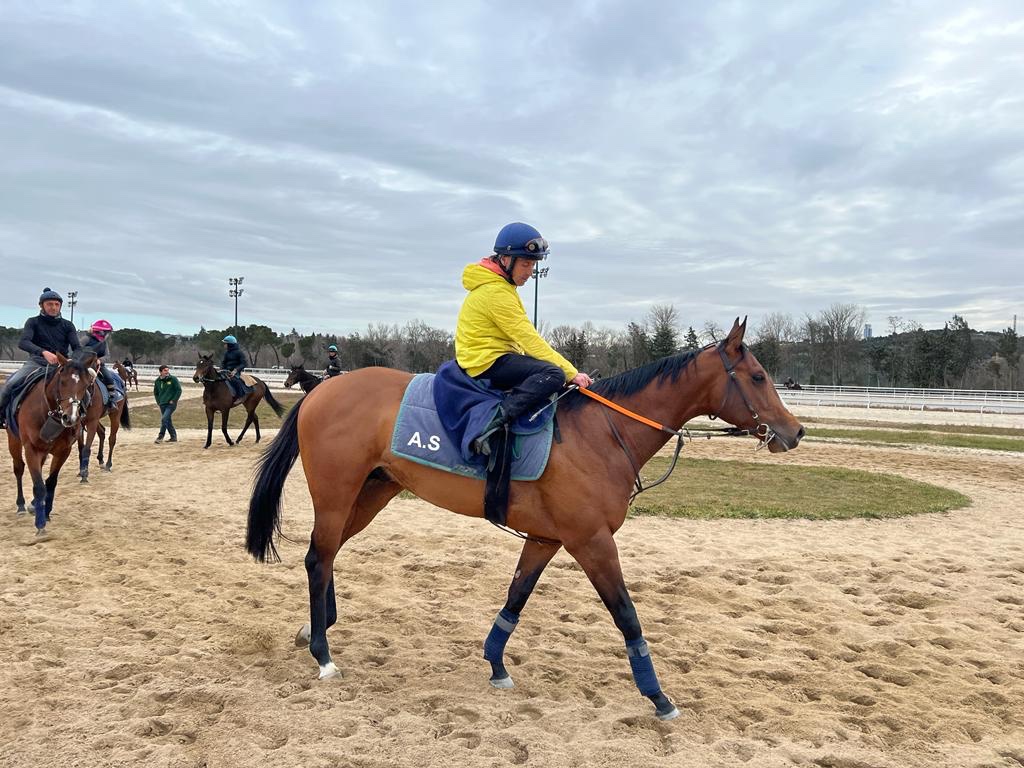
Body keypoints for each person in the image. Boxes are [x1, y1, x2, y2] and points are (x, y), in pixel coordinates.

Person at [455, 222, 592, 449]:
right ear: (506, 260)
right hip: (486, 362)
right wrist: (571, 373)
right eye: (526, 264)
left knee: (547, 372)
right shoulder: (495, 292)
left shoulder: (500, 287)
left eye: (533, 265)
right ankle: (491, 426)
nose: (530, 272)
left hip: (493, 357)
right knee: (553, 374)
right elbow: (529, 340)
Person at [0, 287, 80, 429]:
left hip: (61, 365)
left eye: (57, 304)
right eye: (49, 304)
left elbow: (77, 347)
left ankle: (82, 420)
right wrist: (43, 352)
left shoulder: (68, 325)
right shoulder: (33, 322)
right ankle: (2, 417)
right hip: (36, 363)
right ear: (42, 305)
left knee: (82, 388)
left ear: (60, 306)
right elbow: (23, 342)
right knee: (10, 384)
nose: (53, 307)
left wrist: (79, 358)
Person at [82, 319, 123, 411]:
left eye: (106, 333)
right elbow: (77, 349)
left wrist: (100, 360)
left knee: (108, 377)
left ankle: (112, 400)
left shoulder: (104, 342)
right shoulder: (86, 339)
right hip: (84, 365)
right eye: (104, 332)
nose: (105, 335)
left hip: (98, 365)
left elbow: (107, 355)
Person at [153, 364, 181, 443]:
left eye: (168, 370)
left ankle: (160, 437)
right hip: (162, 404)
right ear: (160, 372)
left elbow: (179, 390)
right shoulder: (157, 381)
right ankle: (173, 437)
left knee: (164, 419)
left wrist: (174, 400)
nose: (167, 372)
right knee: (167, 420)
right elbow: (156, 393)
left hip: (171, 404)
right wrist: (158, 402)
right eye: (165, 370)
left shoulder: (173, 379)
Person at [221, 334, 248, 399]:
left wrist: (235, 370)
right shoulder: (226, 353)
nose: (224, 345)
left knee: (235, 381)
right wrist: (221, 369)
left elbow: (244, 363)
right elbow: (224, 363)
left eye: (225, 343)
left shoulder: (239, 353)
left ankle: (240, 397)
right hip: (226, 371)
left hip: (236, 373)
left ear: (230, 344)